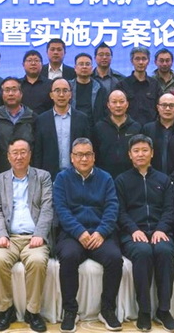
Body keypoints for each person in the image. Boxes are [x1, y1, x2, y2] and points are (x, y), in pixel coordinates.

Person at [53, 137, 122, 333]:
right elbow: (61, 209)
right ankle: (70, 310)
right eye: (79, 155)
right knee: (68, 256)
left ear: (94, 157)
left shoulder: (105, 178)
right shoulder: (62, 178)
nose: (83, 159)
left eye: (87, 154)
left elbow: (112, 208)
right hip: (72, 234)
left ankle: (107, 310)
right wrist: (79, 232)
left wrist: (101, 232)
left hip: (100, 233)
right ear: (71, 157)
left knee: (114, 258)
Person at [0, 139, 53, 333]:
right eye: (14, 153)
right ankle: (5, 310)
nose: (19, 156)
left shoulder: (43, 177)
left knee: (37, 261)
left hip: (34, 237)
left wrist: (39, 234)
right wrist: (0, 235)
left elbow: (47, 208)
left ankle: (32, 312)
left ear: (30, 155)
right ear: (8, 157)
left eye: (23, 152)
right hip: (9, 237)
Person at [116, 135, 174, 332]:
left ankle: (163, 310)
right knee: (142, 252)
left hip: (161, 231)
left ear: (152, 153)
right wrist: (134, 230)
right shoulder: (121, 180)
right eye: (136, 151)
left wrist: (161, 229)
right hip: (133, 233)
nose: (140, 154)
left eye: (145, 150)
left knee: (164, 251)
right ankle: (144, 311)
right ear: (129, 155)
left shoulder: (164, 180)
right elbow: (120, 212)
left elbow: (169, 210)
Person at [33, 78, 93, 180]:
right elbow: (38, 152)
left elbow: (89, 148)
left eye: (65, 91)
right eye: (57, 91)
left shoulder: (82, 119)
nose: (61, 95)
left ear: (70, 94)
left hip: (77, 175)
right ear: (51, 95)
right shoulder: (42, 120)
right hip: (49, 176)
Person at [142, 93, 174, 180]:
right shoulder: (148, 129)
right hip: (152, 179)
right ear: (158, 107)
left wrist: (172, 178)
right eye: (164, 105)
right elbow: (144, 154)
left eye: (171, 106)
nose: (167, 109)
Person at [94, 89, 142, 179]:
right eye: (114, 102)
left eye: (121, 102)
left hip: (130, 177)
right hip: (104, 177)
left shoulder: (136, 127)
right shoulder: (99, 127)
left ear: (127, 104)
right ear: (108, 105)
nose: (118, 105)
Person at [0, 77, 36, 174]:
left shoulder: (33, 118)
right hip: (0, 173)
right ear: (2, 94)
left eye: (14, 90)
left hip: (28, 172)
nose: (11, 94)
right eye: (7, 90)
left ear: (21, 93)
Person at [115, 47, 163, 126]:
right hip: (128, 128)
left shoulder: (155, 85)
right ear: (132, 61)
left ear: (148, 61)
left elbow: (161, 108)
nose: (141, 62)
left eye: (144, 59)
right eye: (137, 59)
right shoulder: (122, 85)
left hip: (151, 128)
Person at [69, 52, 109, 125]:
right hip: (72, 126)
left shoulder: (100, 88)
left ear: (92, 68)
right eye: (81, 64)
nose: (84, 67)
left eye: (87, 64)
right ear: (75, 68)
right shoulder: (68, 87)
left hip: (94, 127)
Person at [20, 50, 53, 114]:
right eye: (29, 60)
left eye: (36, 60)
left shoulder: (50, 84)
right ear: (23, 65)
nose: (33, 63)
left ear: (42, 65)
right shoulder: (17, 85)